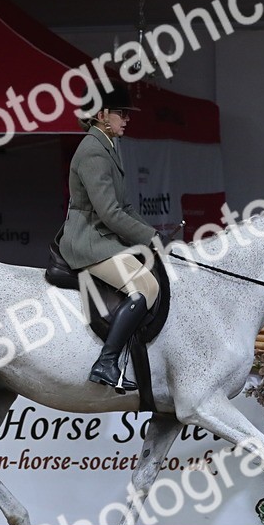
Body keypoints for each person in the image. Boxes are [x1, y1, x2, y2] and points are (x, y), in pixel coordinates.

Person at [59, 86, 165, 392]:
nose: (127, 120)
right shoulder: (93, 150)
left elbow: (126, 207)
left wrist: (155, 235)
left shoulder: (107, 146)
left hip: (102, 234)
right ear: (101, 114)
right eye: (122, 113)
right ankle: (106, 362)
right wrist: (148, 238)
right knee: (147, 285)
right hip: (88, 240)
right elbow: (108, 212)